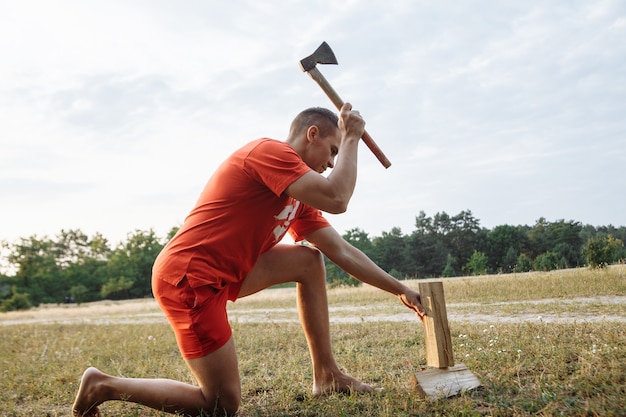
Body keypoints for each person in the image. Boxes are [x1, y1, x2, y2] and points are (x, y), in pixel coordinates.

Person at [72, 103, 426, 417]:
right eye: (331, 150)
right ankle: (102, 386)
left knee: (309, 261)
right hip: (190, 279)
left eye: (338, 153)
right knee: (221, 405)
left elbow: (342, 251)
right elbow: (337, 197)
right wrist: (351, 138)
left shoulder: (297, 196)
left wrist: (400, 290)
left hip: (226, 274)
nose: (332, 162)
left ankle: (327, 375)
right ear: (311, 134)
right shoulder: (268, 152)